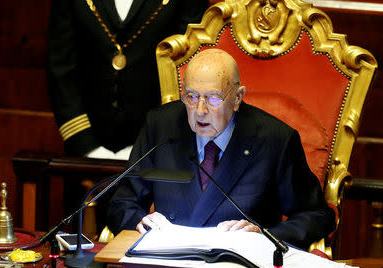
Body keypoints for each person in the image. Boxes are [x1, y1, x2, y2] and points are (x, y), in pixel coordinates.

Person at [107, 49, 336, 249]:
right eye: (191, 96)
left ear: (237, 98)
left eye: (213, 99)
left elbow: (317, 216)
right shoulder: (161, 125)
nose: (200, 110)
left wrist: (264, 236)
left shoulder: (275, 140)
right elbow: (123, 203)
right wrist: (140, 223)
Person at [47, 0, 210, 157]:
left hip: (156, 153)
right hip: (82, 151)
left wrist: (150, 146)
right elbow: (60, 66)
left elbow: (187, 72)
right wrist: (85, 145)